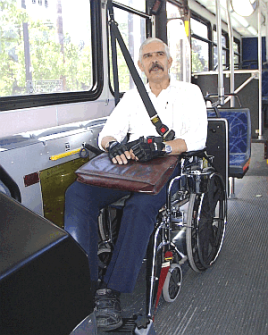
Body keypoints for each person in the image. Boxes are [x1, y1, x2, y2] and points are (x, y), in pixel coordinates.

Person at [64, 37, 207, 331]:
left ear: (170, 61)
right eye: (147, 56)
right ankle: (84, 281)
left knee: (140, 207)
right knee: (78, 194)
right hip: (129, 166)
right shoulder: (132, 97)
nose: (154, 60)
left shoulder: (189, 92)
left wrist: (162, 148)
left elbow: (197, 139)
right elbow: (107, 133)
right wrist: (114, 145)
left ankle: (110, 291)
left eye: (159, 54)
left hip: (169, 165)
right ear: (141, 65)